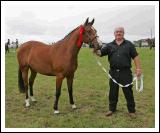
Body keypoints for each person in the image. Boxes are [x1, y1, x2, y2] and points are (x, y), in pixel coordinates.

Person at [94, 27, 142, 117]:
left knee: (128, 92)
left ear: (123, 33)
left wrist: (138, 69)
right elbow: (100, 53)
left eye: (120, 32)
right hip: (113, 73)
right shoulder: (109, 45)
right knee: (113, 92)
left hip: (126, 72)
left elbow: (136, 57)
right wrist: (95, 49)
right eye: (117, 32)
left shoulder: (129, 45)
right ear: (114, 33)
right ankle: (112, 109)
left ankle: (131, 111)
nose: (118, 33)